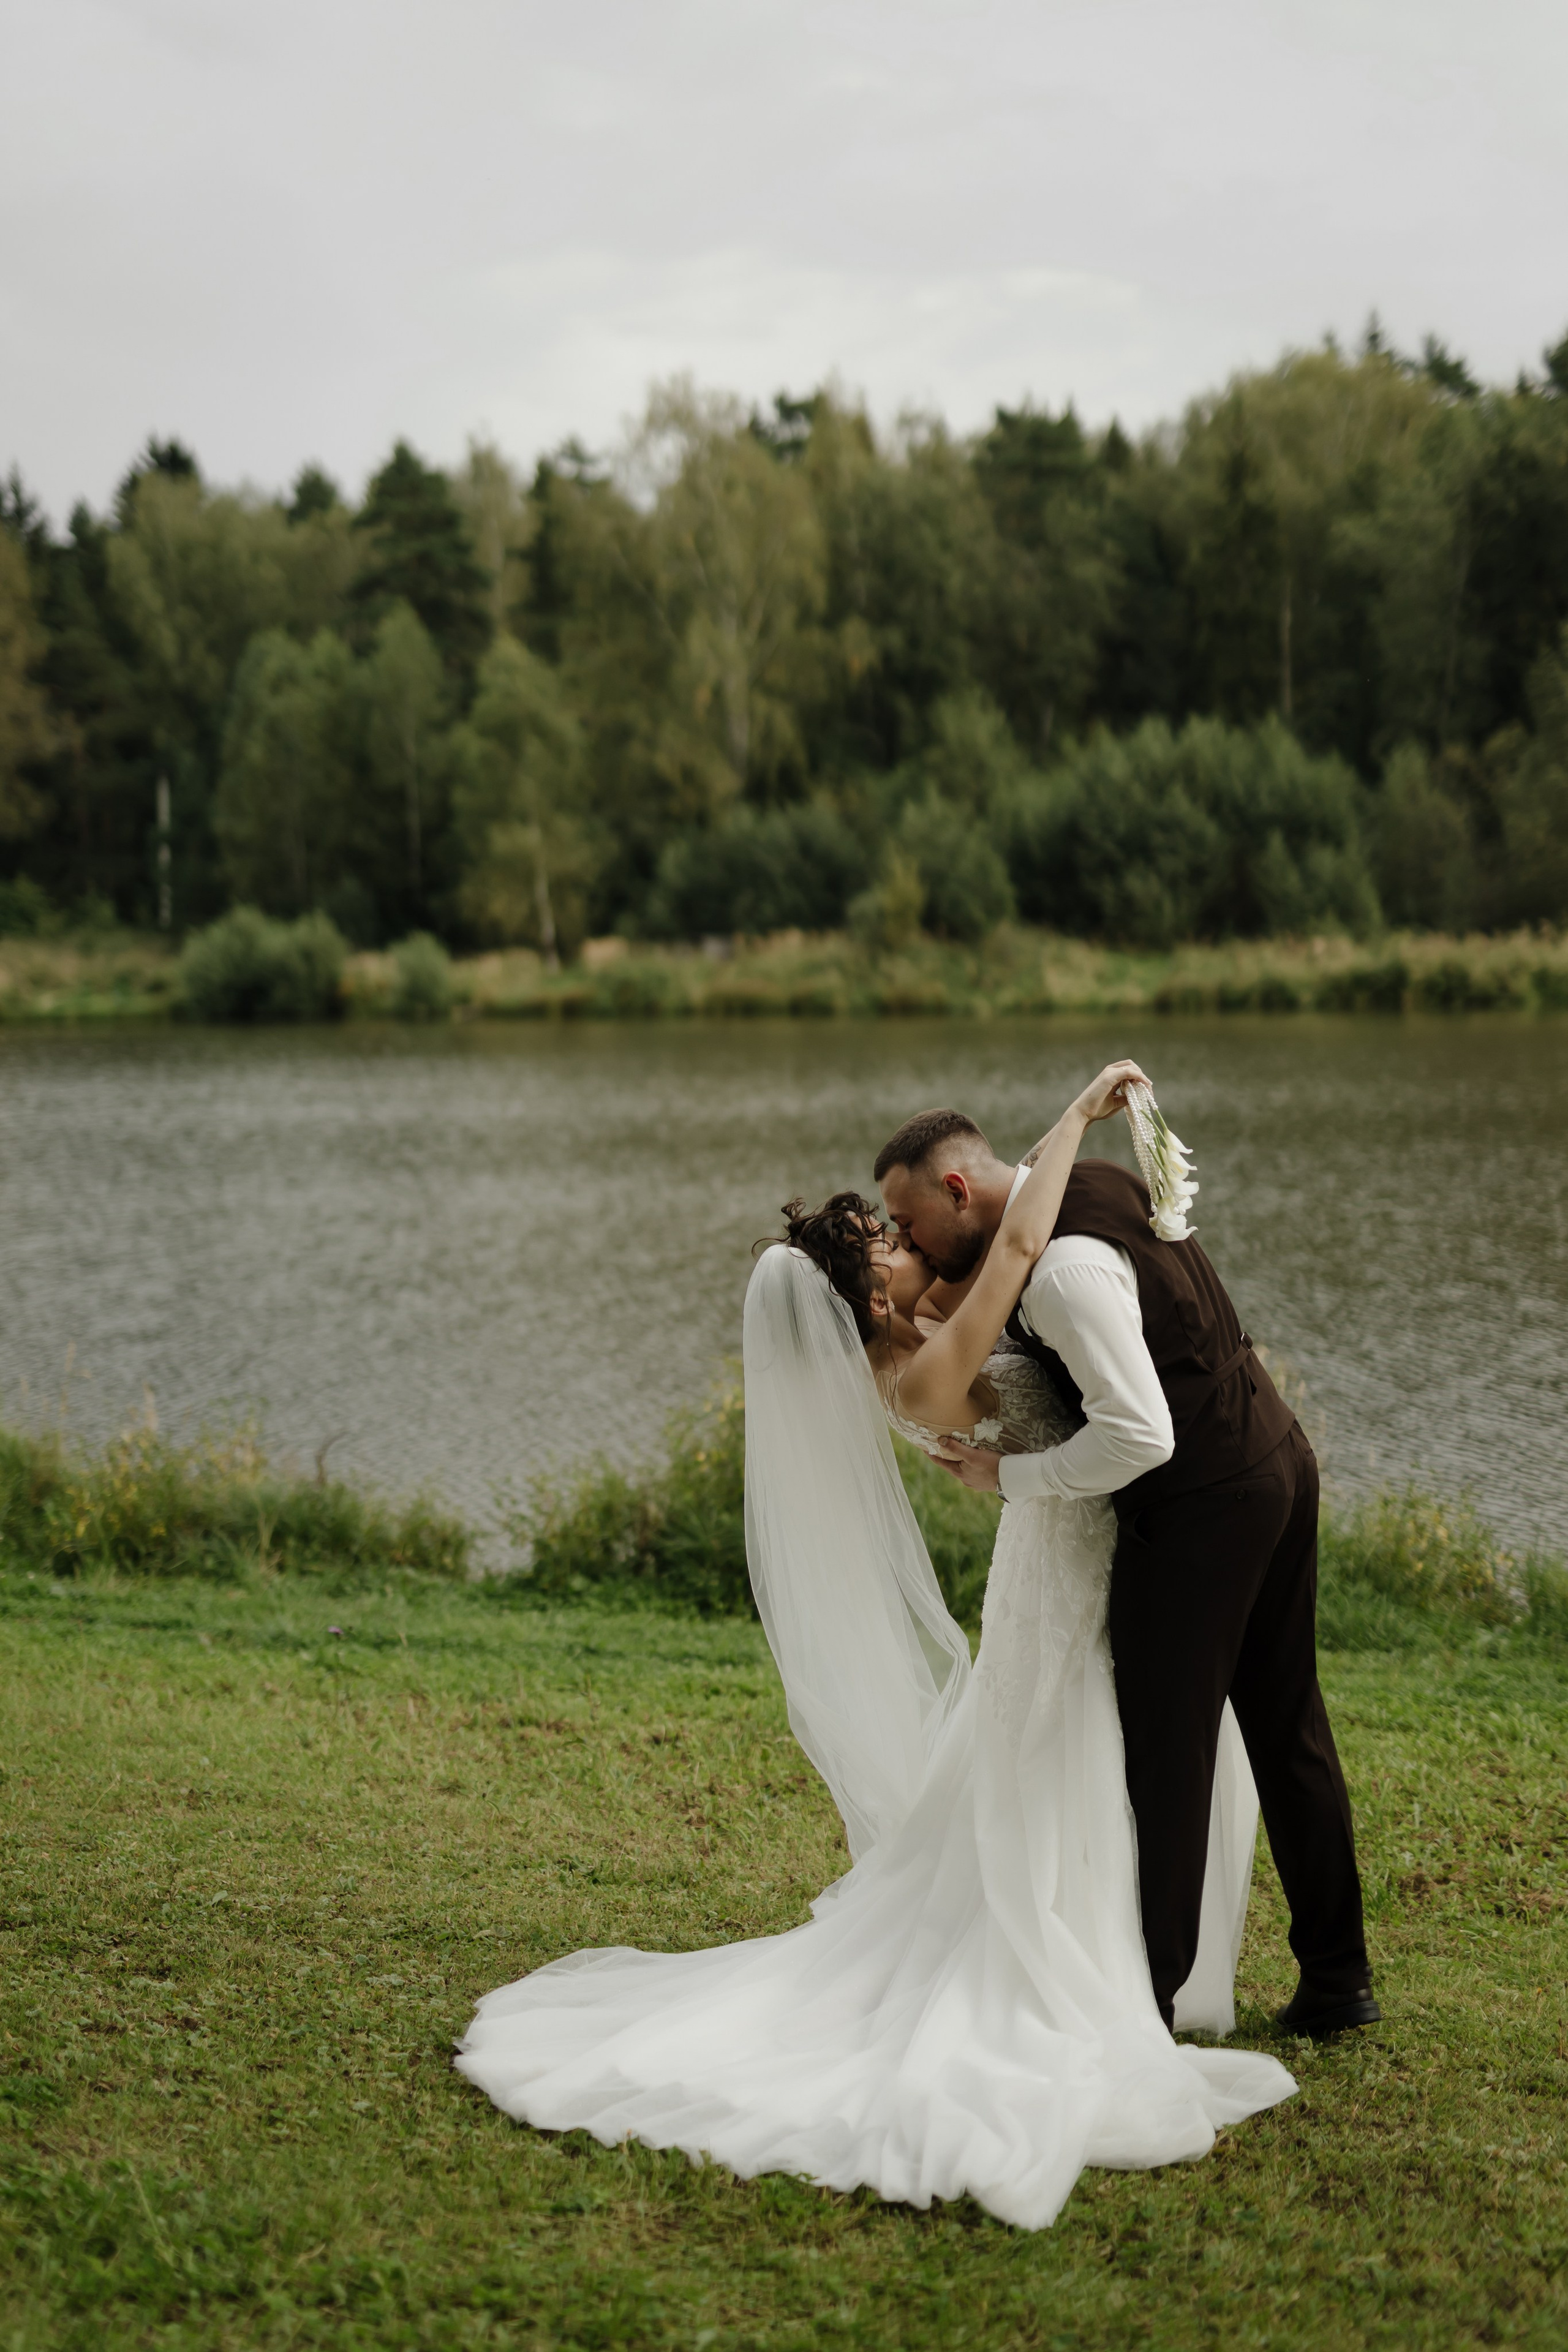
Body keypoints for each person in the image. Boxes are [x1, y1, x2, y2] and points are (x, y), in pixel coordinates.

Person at [456, 1063, 1297, 2231]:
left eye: (903, 1226)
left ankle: (1146, 1968)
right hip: (1066, 1555)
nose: (908, 1244)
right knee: (1085, 1763)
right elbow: (1010, 1256)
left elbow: (1002, 1275)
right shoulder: (925, 1371)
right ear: (875, 1298)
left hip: (1077, 1553)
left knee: (1109, 1757)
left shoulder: (930, 1329)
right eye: (891, 1244)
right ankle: (1119, 1986)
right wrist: (1070, 1122)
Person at [874, 1106, 1376, 2041]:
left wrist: (1010, 1475)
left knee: (1166, 1752)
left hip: (1201, 1510)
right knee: (1287, 1721)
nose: (905, 1241)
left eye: (908, 1224)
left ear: (956, 1190)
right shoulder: (1094, 1181)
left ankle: (1148, 2002)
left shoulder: (1062, 1270)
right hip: (1274, 1455)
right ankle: (1338, 1980)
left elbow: (1143, 1435)